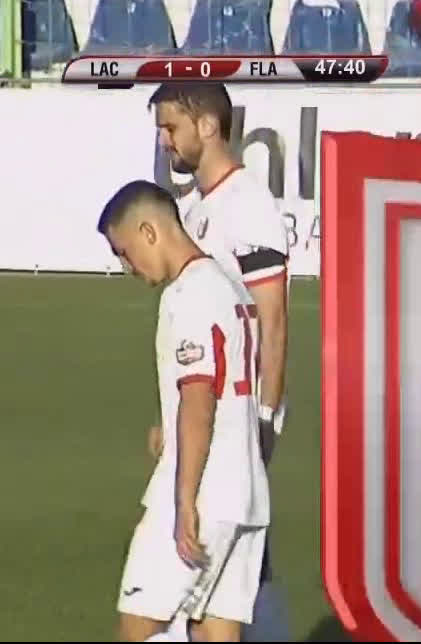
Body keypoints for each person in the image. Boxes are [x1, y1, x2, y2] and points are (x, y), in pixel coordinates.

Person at [147, 82, 292, 641]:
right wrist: (171, 416)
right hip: (206, 416)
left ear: (207, 126)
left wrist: (265, 419)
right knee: (231, 568)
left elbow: (272, 320)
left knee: (209, 566)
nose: (165, 141)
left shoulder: (247, 202)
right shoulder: (193, 208)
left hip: (237, 419)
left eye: (171, 127)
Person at [100, 180, 269, 642]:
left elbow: (199, 400)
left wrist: (184, 500)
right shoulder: (230, 286)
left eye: (125, 252)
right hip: (246, 494)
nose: (126, 266)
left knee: (138, 626)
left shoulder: (190, 292)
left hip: (205, 491)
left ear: (149, 231)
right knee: (216, 632)